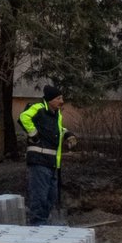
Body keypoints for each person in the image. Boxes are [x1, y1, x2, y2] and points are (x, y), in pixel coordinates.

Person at [19, 85, 76, 226]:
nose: (61, 101)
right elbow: (23, 117)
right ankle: (37, 226)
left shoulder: (56, 114)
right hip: (39, 162)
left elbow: (56, 130)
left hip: (52, 163)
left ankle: (43, 225)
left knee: (51, 197)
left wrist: (68, 134)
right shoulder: (39, 108)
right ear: (50, 100)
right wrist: (33, 134)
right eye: (58, 98)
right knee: (39, 197)